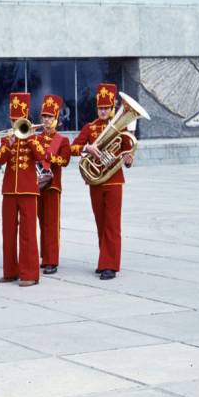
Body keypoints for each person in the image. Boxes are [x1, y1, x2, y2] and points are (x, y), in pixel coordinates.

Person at [0, 93, 48, 287]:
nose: (16, 123)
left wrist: (31, 137)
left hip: (28, 189)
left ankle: (30, 274)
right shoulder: (7, 139)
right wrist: (7, 145)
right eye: (13, 120)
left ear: (26, 118)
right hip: (9, 189)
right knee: (8, 232)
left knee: (28, 232)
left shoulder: (36, 137)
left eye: (19, 120)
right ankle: (10, 271)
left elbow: (42, 156)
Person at [71, 83, 134, 280]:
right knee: (101, 222)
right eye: (101, 108)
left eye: (107, 108)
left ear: (113, 108)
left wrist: (129, 159)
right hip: (96, 181)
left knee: (112, 224)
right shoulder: (90, 127)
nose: (104, 111)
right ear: (97, 108)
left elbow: (127, 150)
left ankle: (110, 265)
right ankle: (105, 259)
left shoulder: (121, 126)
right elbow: (74, 148)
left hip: (114, 181)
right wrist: (87, 148)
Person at [35, 95, 71, 275]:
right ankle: (44, 256)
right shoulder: (36, 138)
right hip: (36, 186)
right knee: (41, 222)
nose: (46, 120)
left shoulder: (62, 140)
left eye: (50, 117)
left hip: (52, 186)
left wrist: (49, 157)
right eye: (44, 117)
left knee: (51, 223)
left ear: (56, 118)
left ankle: (52, 260)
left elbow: (64, 160)